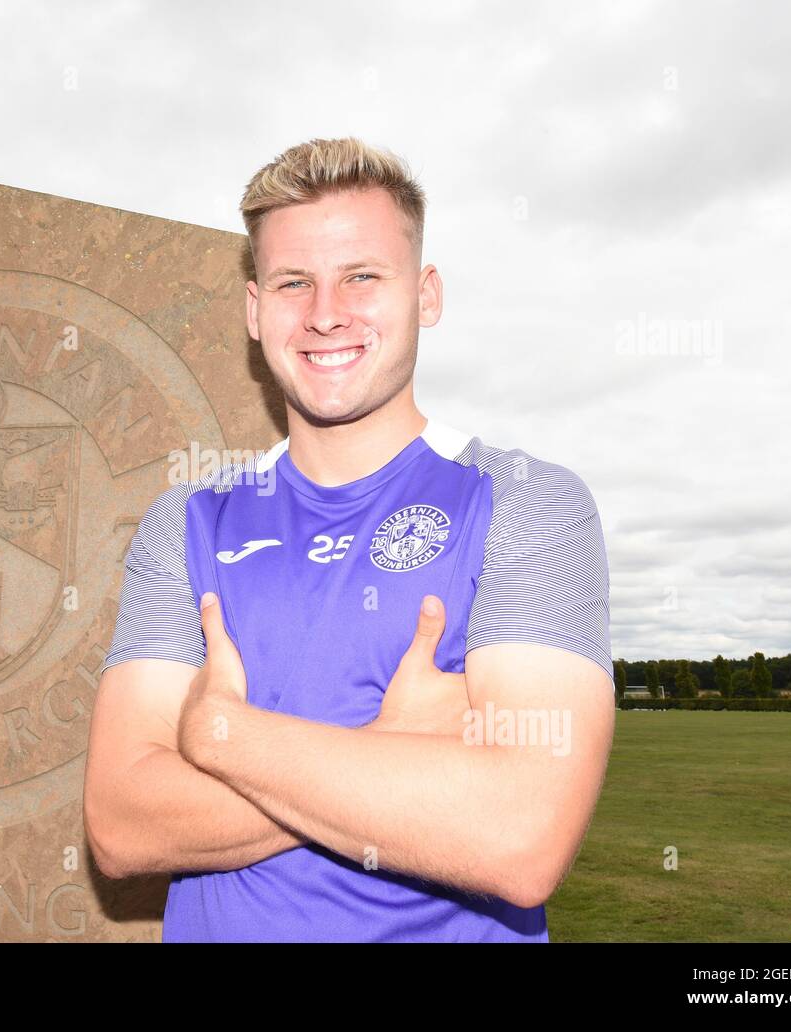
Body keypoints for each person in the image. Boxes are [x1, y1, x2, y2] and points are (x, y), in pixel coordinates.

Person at [83, 137, 615, 942]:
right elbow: (123, 825)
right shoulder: (189, 522)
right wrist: (390, 751)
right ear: (256, 310)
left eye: (362, 275)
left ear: (425, 294)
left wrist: (219, 735)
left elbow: (521, 837)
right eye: (294, 282)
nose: (326, 312)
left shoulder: (526, 504)